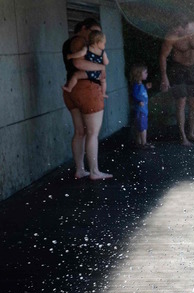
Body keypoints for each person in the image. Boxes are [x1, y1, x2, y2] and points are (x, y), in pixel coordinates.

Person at [62, 18, 112, 180]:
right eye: (93, 31)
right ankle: (94, 171)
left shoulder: (68, 42)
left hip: (73, 90)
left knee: (80, 132)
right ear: (84, 28)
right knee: (92, 132)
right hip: (87, 89)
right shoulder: (80, 41)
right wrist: (101, 67)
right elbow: (78, 63)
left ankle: (80, 169)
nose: (95, 36)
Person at [159, 17, 194, 146]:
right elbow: (163, 56)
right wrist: (164, 76)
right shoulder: (172, 35)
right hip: (178, 70)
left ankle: (191, 133)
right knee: (181, 101)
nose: (174, 31)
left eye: (177, 29)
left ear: (185, 27)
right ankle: (182, 136)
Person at [63, 30, 109, 99]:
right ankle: (103, 93)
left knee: (76, 75)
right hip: (98, 74)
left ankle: (69, 88)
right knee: (103, 81)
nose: (104, 46)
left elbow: (80, 54)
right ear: (99, 43)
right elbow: (106, 63)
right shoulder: (102, 52)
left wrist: (70, 56)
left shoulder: (87, 48)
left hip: (88, 72)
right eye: (104, 44)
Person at [129, 64, 153, 149]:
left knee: (141, 126)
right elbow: (134, 95)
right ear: (139, 74)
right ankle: (144, 143)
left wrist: (146, 88)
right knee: (142, 127)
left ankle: (139, 142)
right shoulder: (136, 85)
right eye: (145, 72)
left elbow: (140, 93)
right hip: (140, 110)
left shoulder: (141, 85)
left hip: (143, 110)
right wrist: (138, 101)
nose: (147, 74)